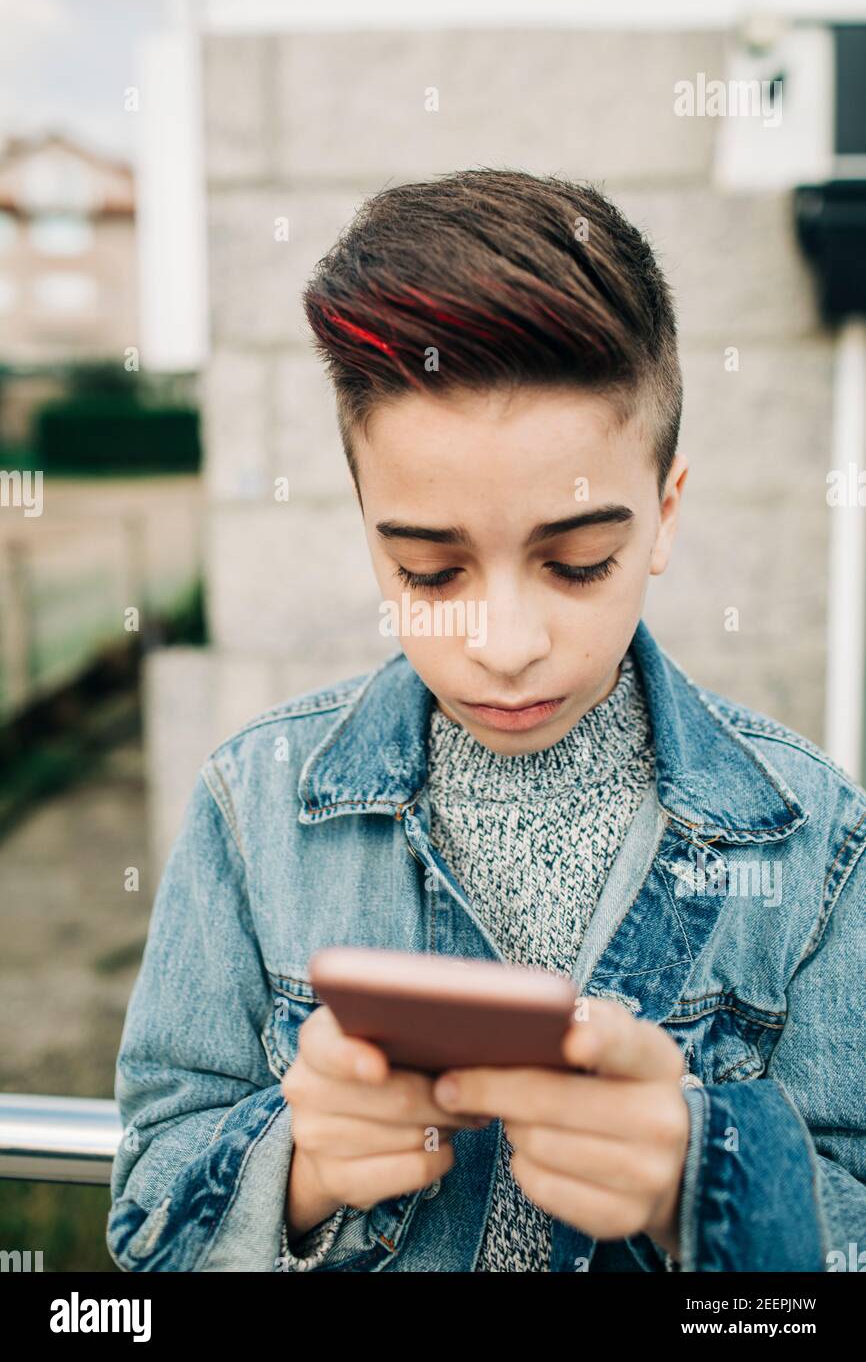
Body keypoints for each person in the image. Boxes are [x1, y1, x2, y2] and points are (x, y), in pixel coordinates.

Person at [107, 167, 866, 1272]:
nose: (502, 642)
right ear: (369, 528)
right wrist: (303, 1172)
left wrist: (706, 1185)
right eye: (428, 568)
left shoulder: (814, 841)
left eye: (576, 563)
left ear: (663, 514)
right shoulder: (251, 804)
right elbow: (142, 1220)